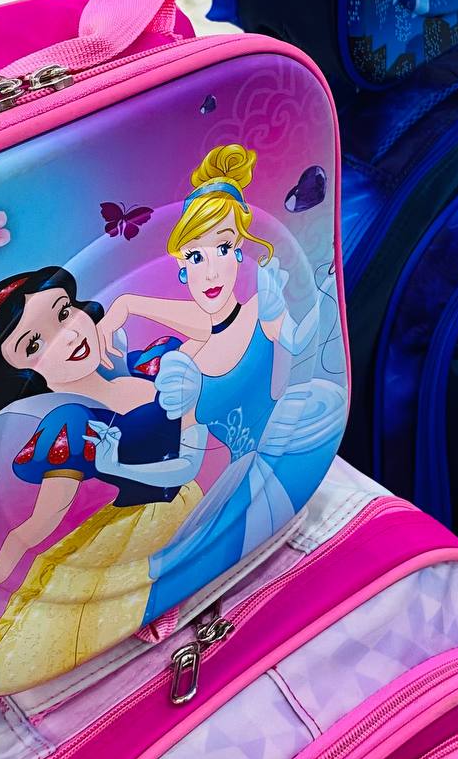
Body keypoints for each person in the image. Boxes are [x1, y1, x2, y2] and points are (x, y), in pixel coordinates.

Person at [0, 265, 206, 695]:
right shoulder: (71, 425)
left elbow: (211, 325)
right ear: (21, 379)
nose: (67, 336)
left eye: (64, 313)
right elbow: (37, 527)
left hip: (191, 498)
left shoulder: (149, 365)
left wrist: (129, 303)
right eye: (34, 345)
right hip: (136, 525)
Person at [98, 143, 346, 604]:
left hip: (290, 450)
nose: (210, 269)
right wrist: (115, 466)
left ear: (239, 253)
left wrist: (323, 292)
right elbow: (187, 465)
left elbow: (297, 353)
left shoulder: (259, 308)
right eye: (195, 256)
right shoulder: (184, 365)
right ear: (180, 266)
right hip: (240, 485)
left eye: (224, 247)